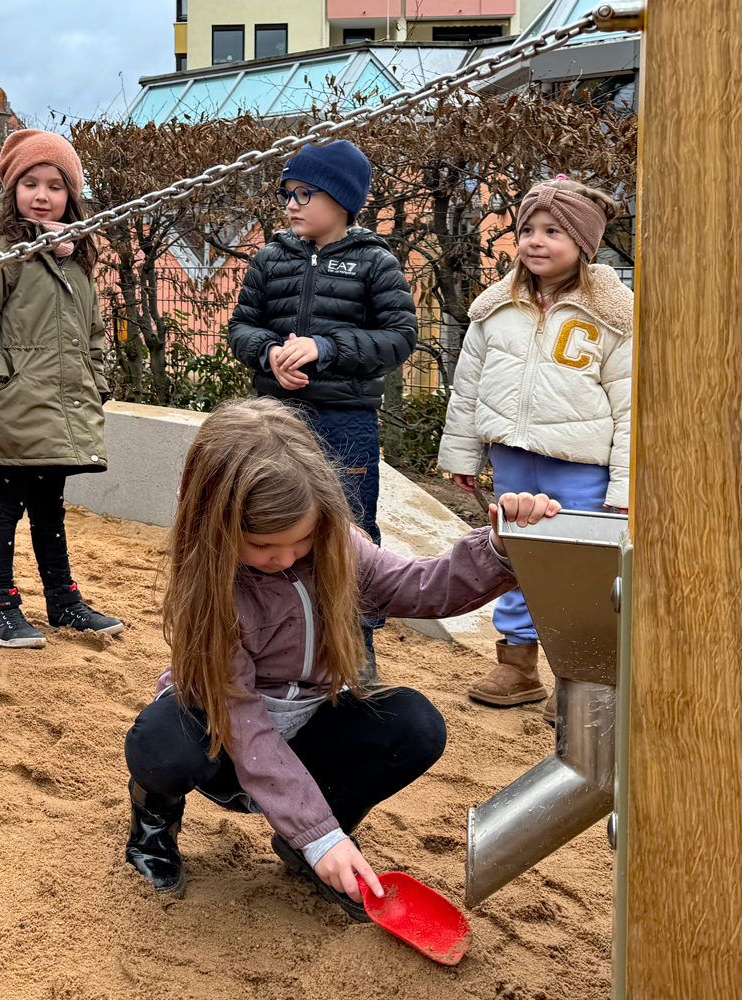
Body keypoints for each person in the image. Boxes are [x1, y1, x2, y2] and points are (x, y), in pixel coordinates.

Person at [121, 399, 561, 917]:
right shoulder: (209, 587)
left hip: (309, 722)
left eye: (303, 539)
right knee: (162, 742)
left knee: (414, 724)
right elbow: (241, 720)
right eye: (263, 545)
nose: (286, 557)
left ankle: (311, 845)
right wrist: (319, 836)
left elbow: (421, 587)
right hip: (223, 738)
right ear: (216, 524)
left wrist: (500, 548)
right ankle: (154, 822)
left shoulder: (339, 547)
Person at [226, 141, 417, 685]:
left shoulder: (375, 262)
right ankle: (268, 639)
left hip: (344, 422)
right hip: (274, 418)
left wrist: (325, 349)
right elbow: (241, 326)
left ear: (342, 199)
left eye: (305, 193)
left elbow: (400, 337)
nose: (291, 204)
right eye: (287, 193)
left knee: (351, 530)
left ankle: (356, 648)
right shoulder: (270, 259)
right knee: (264, 523)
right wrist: (269, 354)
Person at [438, 177, 630, 716]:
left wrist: (624, 487)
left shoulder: (615, 315)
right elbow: (468, 385)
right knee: (517, 556)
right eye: (527, 230)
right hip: (512, 458)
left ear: (584, 242)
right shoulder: (495, 307)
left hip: (581, 467)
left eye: (553, 231)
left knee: (579, 569)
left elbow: (632, 405)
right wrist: (463, 454)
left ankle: (582, 676)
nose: (535, 241)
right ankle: (517, 663)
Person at [0, 129, 123, 649]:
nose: (42, 196)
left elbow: (93, 332)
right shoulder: (1, 253)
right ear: (12, 190)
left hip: (61, 406)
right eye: (30, 184)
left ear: (71, 194)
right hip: (15, 405)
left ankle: (63, 600)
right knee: (7, 502)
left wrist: (96, 383)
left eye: (55, 185)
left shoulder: (75, 260)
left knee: (50, 504)